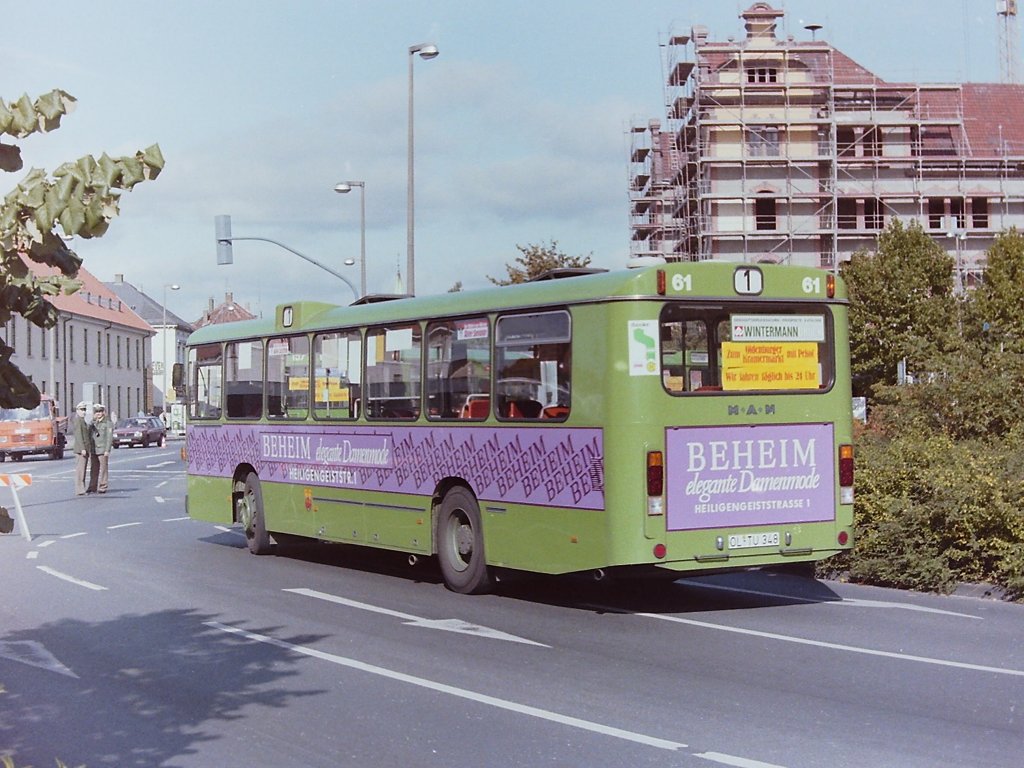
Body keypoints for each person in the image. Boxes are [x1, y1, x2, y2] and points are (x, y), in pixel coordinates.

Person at [88, 403, 114, 494]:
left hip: (102, 449)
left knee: (103, 468)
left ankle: (103, 486)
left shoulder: (107, 423)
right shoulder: (93, 422)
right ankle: (92, 486)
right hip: (94, 449)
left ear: (103, 412)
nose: (98, 413)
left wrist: (107, 450)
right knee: (93, 469)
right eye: (96, 412)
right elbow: (90, 433)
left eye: (100, 411)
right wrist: (93, 420)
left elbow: (109, 437)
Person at [72, 402, 92, 496]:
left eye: (85, 410)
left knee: (83, 469)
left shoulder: (82, 420)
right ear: (77, 410)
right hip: (81, 450)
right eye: (82, 410)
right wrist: (83, 448)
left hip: (84, 449)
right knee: (80, 470)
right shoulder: (78, 421)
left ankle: (81, 488)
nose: (84, 412)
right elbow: (79, 436)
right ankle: (80, 489)